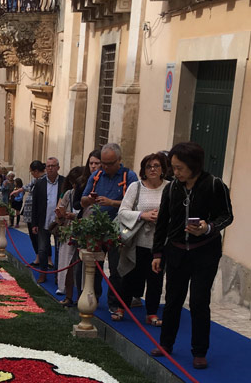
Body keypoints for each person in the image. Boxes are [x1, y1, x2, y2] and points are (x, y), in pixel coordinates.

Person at [151, 141, 233, 369]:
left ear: (194, 166)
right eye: (173, 168)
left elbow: (227, 216)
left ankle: (199, 351)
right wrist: (157, 252)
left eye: (179, 168)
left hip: (204, 253)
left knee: (198, 301)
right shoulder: (172, 188)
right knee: (172, 300)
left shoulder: (215, 185)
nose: (174, 173)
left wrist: (208, 227)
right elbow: (163, 223)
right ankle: (166, 344)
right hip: (176, 252)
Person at [80, 142, 138, 319]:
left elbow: (135, 204)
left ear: (119, 160)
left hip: (117, 229)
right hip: (96, 228)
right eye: (103, 163)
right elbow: (82, 200)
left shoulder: (130, 177)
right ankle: (93, 297)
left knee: (116, 268)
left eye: (109, 164)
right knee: (94, 267)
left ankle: (115, 303)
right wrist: (89, 200)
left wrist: (112, 203)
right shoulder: (97, 176)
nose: (105, 167)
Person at [116, 152, 169, 326]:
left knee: (155, 279)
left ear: (163, 169)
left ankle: (151, 313)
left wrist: (162, 217)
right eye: (149, 166)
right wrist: (142, 215)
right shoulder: (136, 187)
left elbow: (177, 212)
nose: (152, 169)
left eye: (156, 166)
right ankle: (121, 307)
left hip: (160, 243)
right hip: (136, 240)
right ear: (143, 170)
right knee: (130, 274)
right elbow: (123, 211)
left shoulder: (170, 188)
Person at [55, 165, 89, 303]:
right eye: (73, 183)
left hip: (85, 235)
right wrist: (60, 215)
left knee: (83, 269)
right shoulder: (69, 194)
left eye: (77, 183)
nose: (75, 185)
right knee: (67, 265)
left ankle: (84, 298)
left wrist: (74, 217)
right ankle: (68, 296)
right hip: (69, 233)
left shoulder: (89, 194)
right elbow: (59, 212)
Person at [30, 156, 66, 274]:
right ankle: (43, 272)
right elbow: (34, 205)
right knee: (42, 249)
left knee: (59, 249)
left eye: (53, 166)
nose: (50, 168)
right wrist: (34, 223)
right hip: (43, 221)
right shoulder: (40, 183)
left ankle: (57, 274)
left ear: (58, 167)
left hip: (58, 223)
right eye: (48, 166)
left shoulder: (64, 182)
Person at [20, 160, 45, 247]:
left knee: (38, 237)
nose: (31, 174)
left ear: (36, 171)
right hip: (29, 212)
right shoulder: (35, 180)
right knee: (33, 237)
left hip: (36, 213)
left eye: (32, 172)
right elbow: (27, 186)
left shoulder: (43, 180)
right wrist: (18, 190)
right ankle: (37, 256)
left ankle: (42, 257)